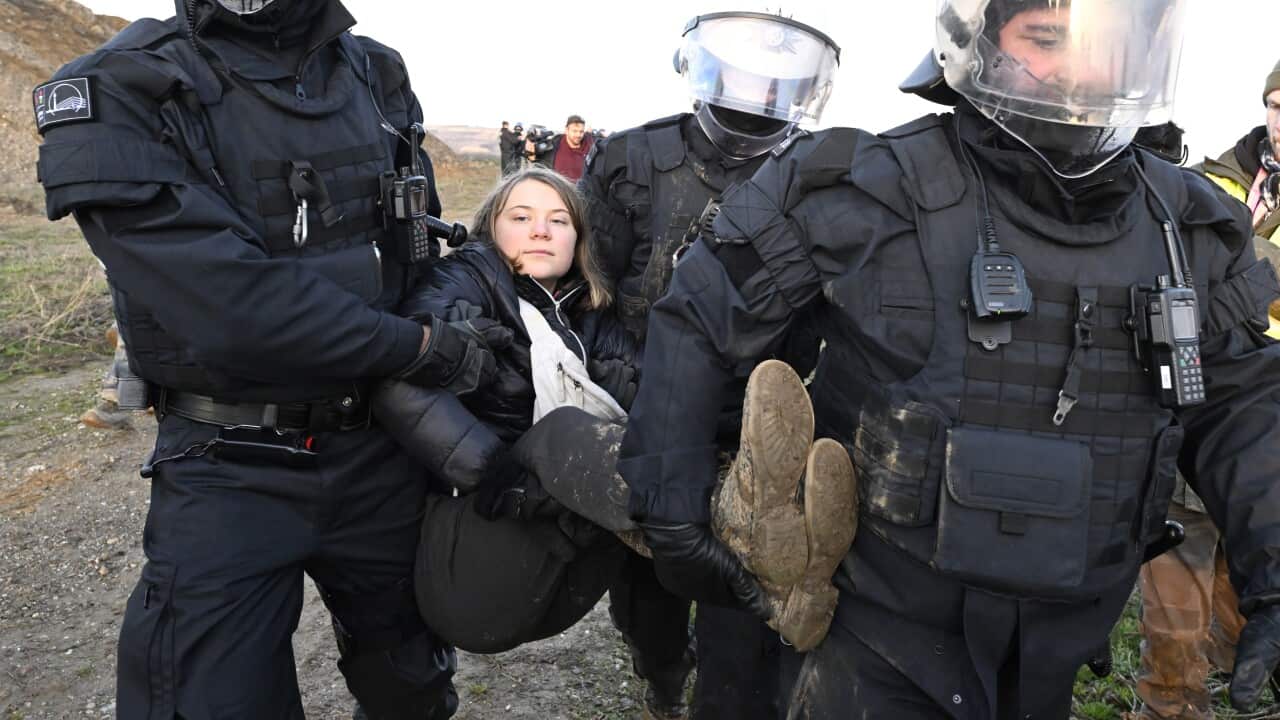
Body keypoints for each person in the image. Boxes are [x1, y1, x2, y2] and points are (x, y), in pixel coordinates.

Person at [617, 1, 1280, 717]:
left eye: (1109, 44)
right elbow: (700, 324)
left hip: (1059, 639)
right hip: (871, 632)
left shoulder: (1191, 226)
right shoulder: (859, 184)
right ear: (980, 44)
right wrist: (673, 501)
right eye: (1049, 39)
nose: (1083, 67)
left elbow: (1245, 409)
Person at [31, 0, 501, 716]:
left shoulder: (375, 71)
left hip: (383, 448)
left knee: (411, 681)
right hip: (227, 463)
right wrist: (425, 349)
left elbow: (414, 247)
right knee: (210, 697)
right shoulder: (122, 86)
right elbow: (233, 307)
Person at [579, 12, 840, 719]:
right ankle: (663, 671)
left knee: (740, 601)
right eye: (747, 71)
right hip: (646, 404)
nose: (759, 91)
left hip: (763, 419)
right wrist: (627, 380)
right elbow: (589, 291)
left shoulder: (817, 175)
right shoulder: (631, 158)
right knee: (649, 592)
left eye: (777, 77)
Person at [1136, 58, 1280, 720]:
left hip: (1268, 447)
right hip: (1203, 421)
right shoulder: (1210, 187)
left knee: (1247, 606)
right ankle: (1171, 706)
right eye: (1279, 104)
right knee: (1174, 614)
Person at [530, 114, 595, 181]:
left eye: (581, 131)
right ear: (566, 130)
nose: (578, 135)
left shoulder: (590, 146)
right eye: (575, 131)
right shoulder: (552, 146)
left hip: (582, 190)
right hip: (558, 189)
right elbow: (538, 166)